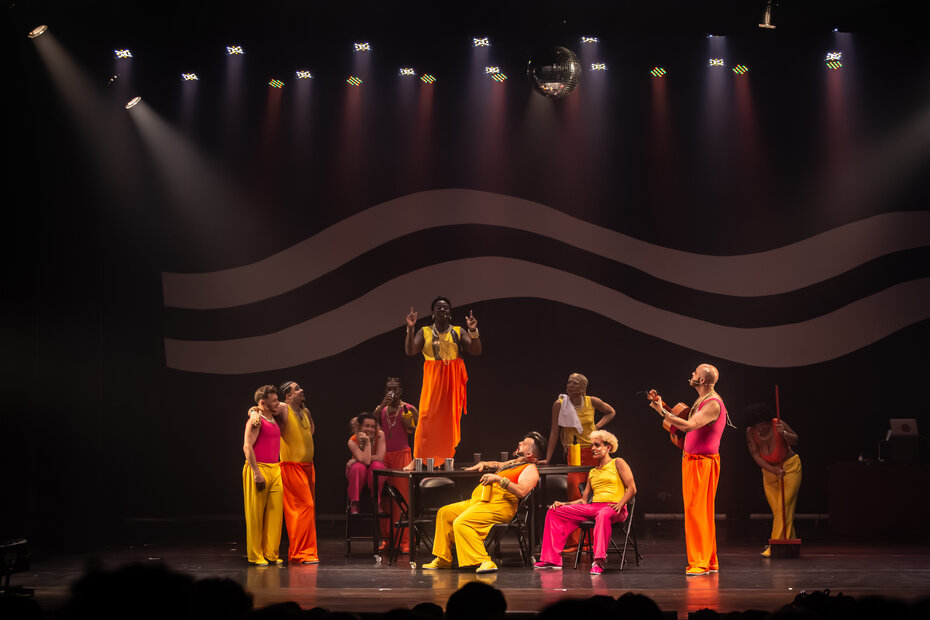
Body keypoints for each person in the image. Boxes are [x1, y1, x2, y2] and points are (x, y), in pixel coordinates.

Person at [420, 432, 545, 574]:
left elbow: (522, 491)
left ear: (529, 454)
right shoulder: (515, 463)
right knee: (445, 513)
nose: (520, 443)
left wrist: (498, 479)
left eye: (524, 443)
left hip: (500, 506)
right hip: (482, 501)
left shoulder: (530, 469)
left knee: (462, 522)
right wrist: (484, 464)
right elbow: (497, 464)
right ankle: (443, 559)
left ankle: (484, 561)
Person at [649, 363, 729, 576]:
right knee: (699, 511)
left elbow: (688, 425)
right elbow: (684, 422)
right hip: (694, 461)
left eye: (695, 373)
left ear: (701, 380)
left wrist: (662, 411)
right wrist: (663, 407)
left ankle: (700, 563)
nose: (691, 374)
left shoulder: (713, 403)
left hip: (702, 462)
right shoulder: (703, 399)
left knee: (697, 511)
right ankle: (708, 560)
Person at [535, 430, 636, 574]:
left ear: (608, 447)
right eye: (592, 445)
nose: (593, 448)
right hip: (594, 507)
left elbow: (632, 488)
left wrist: (620, 504)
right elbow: (583, 500)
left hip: (614, 507)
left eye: (597, 445)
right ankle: (552, 560)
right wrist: (564, 504)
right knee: (554, 511)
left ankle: (599, 561)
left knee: (603, 514)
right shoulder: (593, 472)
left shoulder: (618, 462)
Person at [543, 373, 617, 547]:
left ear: (583, 387)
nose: (569, 385)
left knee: (594, 495)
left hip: (594, 452)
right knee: (575, 494)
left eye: (574, 383)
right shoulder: (560, 404)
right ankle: (576, 542)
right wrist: (547, 458)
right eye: (568, 382)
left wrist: (597, 427)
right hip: (574, 453)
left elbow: (611, 412)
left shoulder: (592, 402)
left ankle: (593, 541)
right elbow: (554, 431)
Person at [404, 297, 482, 460]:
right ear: (433, 313)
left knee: (448, 421)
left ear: (450, 312)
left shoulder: (458, 331)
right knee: (426, 418)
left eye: (445, 307)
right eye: (438, 307)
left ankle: (445, 459)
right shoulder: (424, 331)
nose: (442, 310)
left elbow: (476, 351)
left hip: (452, 378)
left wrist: (473, 330)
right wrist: (411, 328)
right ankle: (419, 458)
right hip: (433, 377)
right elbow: (411, 351)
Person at [744, 403, 801, 557]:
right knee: (778, 510)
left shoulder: (778, 424)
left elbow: (795, 440)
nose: (762, 428)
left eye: (764, 423)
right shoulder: (750, 432)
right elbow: (755, 455)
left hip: (790, 468)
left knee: (783, 507)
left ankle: (774, 546)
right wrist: (773, 470)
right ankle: (790, 545)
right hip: (769, 472)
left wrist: (785, 434)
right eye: (758, 425)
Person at [242, 384, 288, 566]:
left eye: (277, 399)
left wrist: (253, 410)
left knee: (275, 515)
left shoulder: (272, 418)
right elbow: (247, 447)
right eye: (274, 400)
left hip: (275, 469)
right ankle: (256, 555)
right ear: (263, 403)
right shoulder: (255, 421)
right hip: (258, 468)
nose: (278, 403)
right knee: (255, 515)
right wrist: (256, 472)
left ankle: (271, 553)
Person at [373, 377, 419, 553]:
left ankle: (406, 541)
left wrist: (409, 425)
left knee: (402, 498)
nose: (392, 392)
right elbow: (371, 424)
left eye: (395, 389)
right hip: (384, 455)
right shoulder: (382, 409)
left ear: (401, 391)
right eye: (388, 389)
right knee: (386, 499)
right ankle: (388, 539)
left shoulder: (409, 408)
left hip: (402, 455)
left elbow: (419, 430)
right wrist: (381, 405)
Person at [277, 381, 319, 564]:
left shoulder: (305, 411)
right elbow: (261, 408)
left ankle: (305, 551)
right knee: (303, 508)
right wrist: (253, 411)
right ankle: (301, 552)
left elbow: (311, 430)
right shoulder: (283, 407)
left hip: (308, 467)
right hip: (292, 467)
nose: (301, 390)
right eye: (296, 389)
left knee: (308, 510)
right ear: (288, 396)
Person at [346, 411, 387, 515]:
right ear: (360, 426)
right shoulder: (352, 441)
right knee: (358, 467)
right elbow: (366, 461)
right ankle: (354, 502)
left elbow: (379, 457)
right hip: (358, 471)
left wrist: (358, 458)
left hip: (374, 467)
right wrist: (367, 442)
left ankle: (377, 502)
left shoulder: (380, 435)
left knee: (377, 466)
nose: (370, 429)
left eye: (373, 427)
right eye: (367, 426)